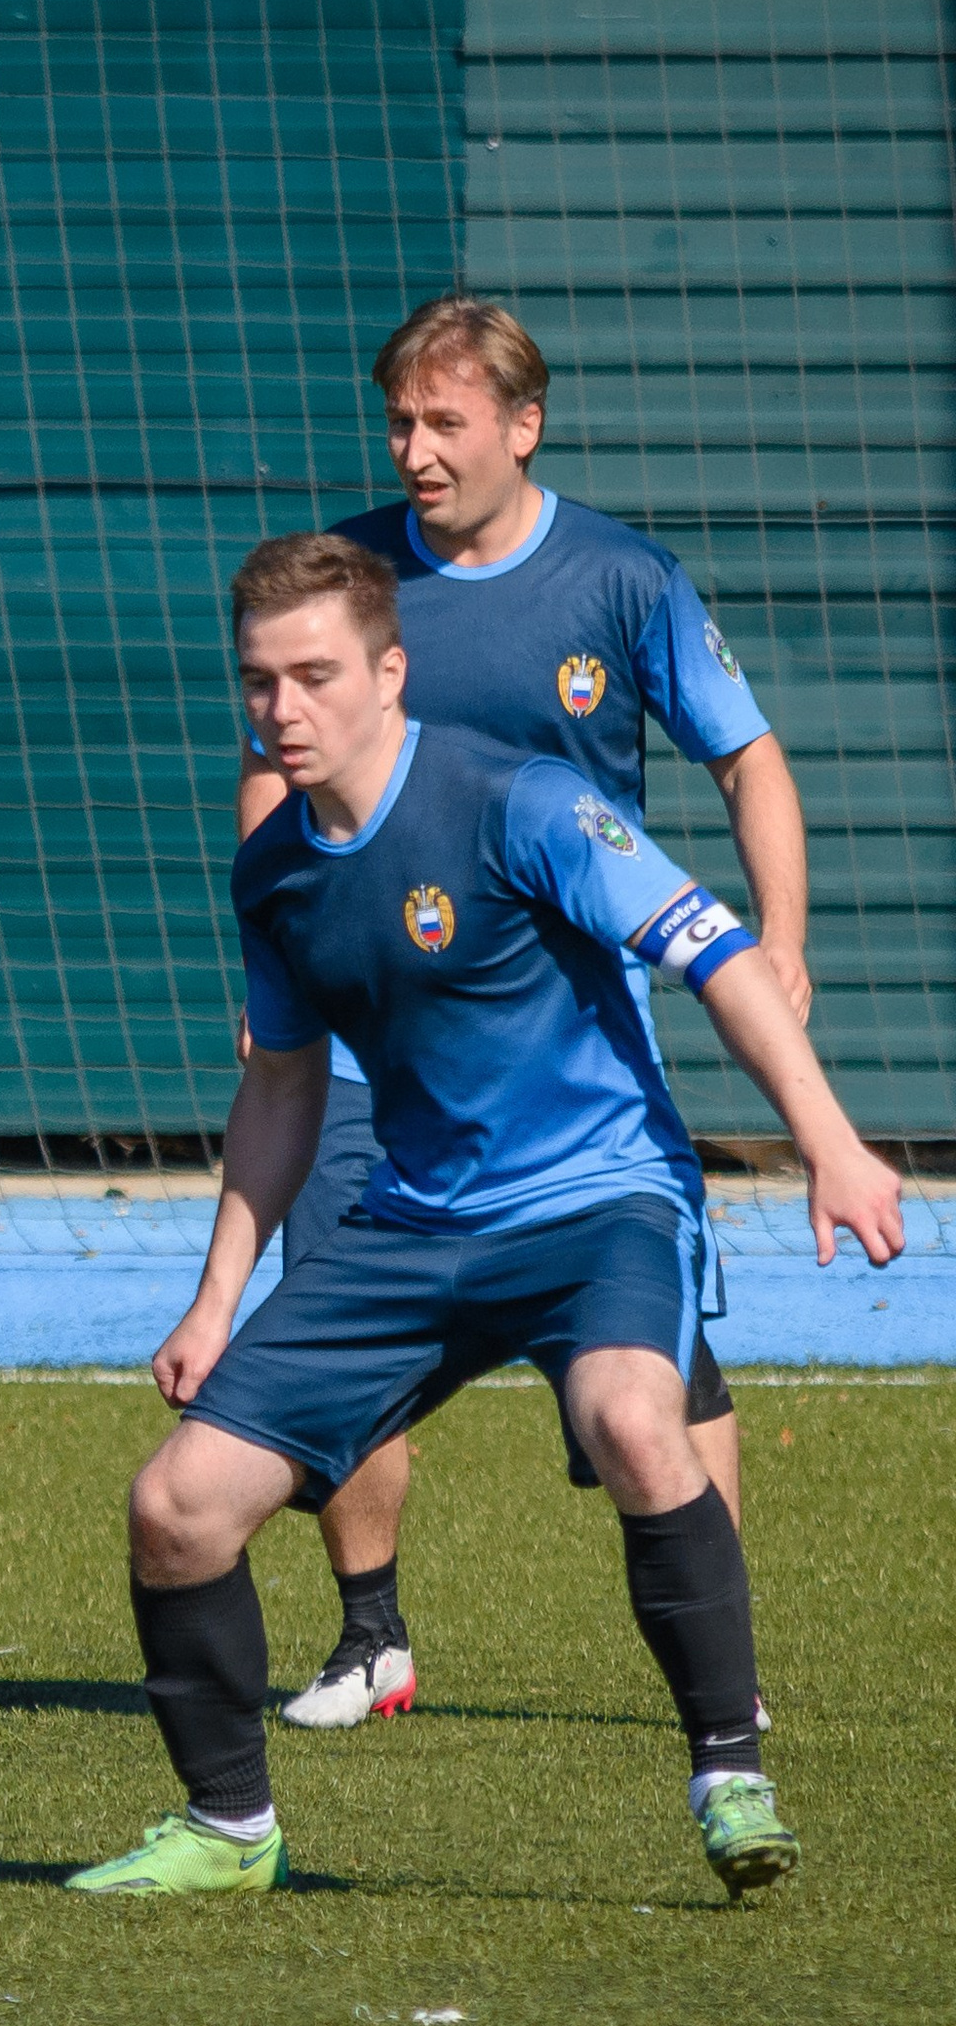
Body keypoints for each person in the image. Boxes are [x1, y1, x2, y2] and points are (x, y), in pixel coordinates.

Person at [68, 534, 899, 1902]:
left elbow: (719, 958)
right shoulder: (274, 871)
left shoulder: (523, 803)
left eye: (315, 675)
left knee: (635, 1420)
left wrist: (833, 1146)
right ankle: (229, 1828)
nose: (282, 708)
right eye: (260, 681)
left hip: (598, 1200)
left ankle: (728, 1772)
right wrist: (215, 1301)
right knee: (177, 1508)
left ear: (390, 672)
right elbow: (282, 1085)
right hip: (413, 1226)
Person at [239, 297, 815, 1732]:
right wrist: (283, 959)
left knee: (658, 1373)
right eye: (400, 423)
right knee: (334, 1318)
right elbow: (273, 778)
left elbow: (747, 759)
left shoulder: (622, 578)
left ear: (523, 425)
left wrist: (782, 940)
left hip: (566, 1044)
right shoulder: (350, 584)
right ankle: (370, 1638)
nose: (416, 451)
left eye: (445, 422)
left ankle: (725, 1670)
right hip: (372, 1036)